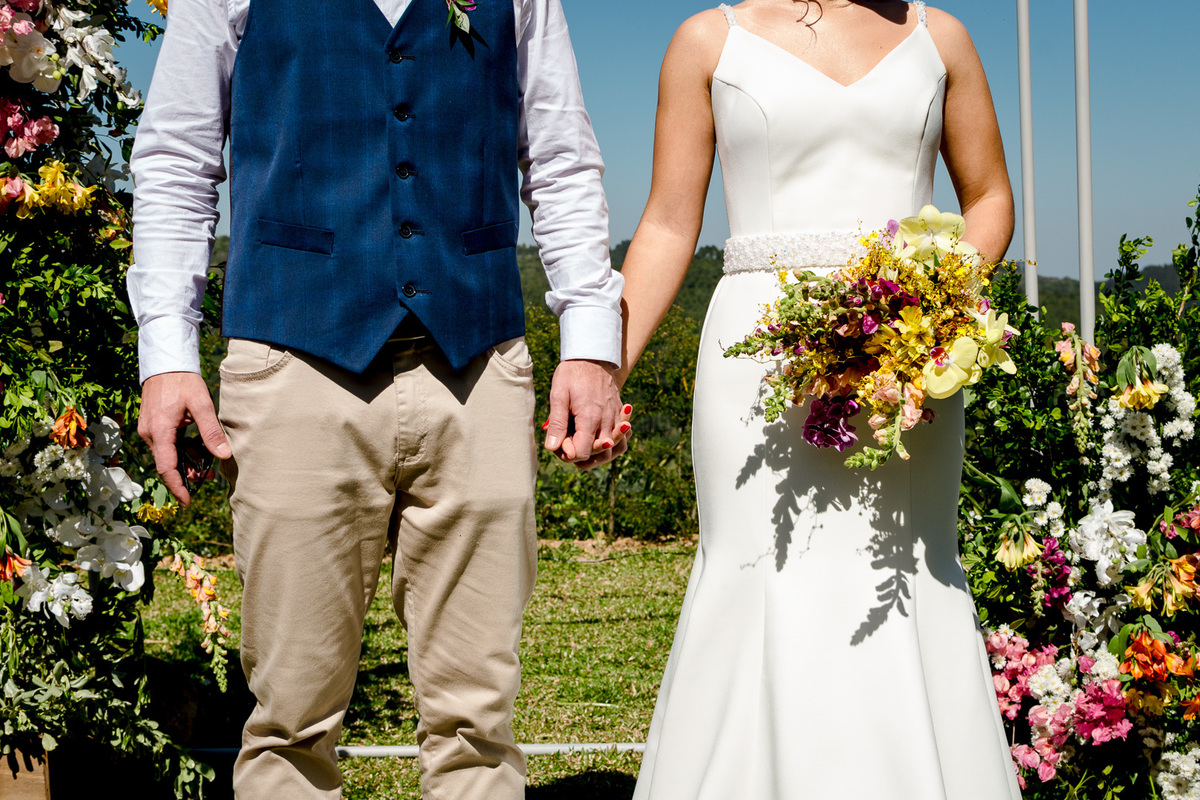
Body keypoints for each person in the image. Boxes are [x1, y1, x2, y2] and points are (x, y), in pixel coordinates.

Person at [128, 0, 630, 797]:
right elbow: (177, 157)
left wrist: (593, 342)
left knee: (479, 724)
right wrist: (167, 356)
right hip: (294, 360)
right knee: (290, 717)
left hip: (480, 365)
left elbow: (561, 155)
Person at [616, 1, 1021, 798]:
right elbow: (667, 222)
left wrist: (931, 312)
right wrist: (603, 367)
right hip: (757, 366)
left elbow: (990, 200)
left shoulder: (940, 40)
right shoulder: (707, 40)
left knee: (899, 572)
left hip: (905, 362)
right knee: (756, 571)